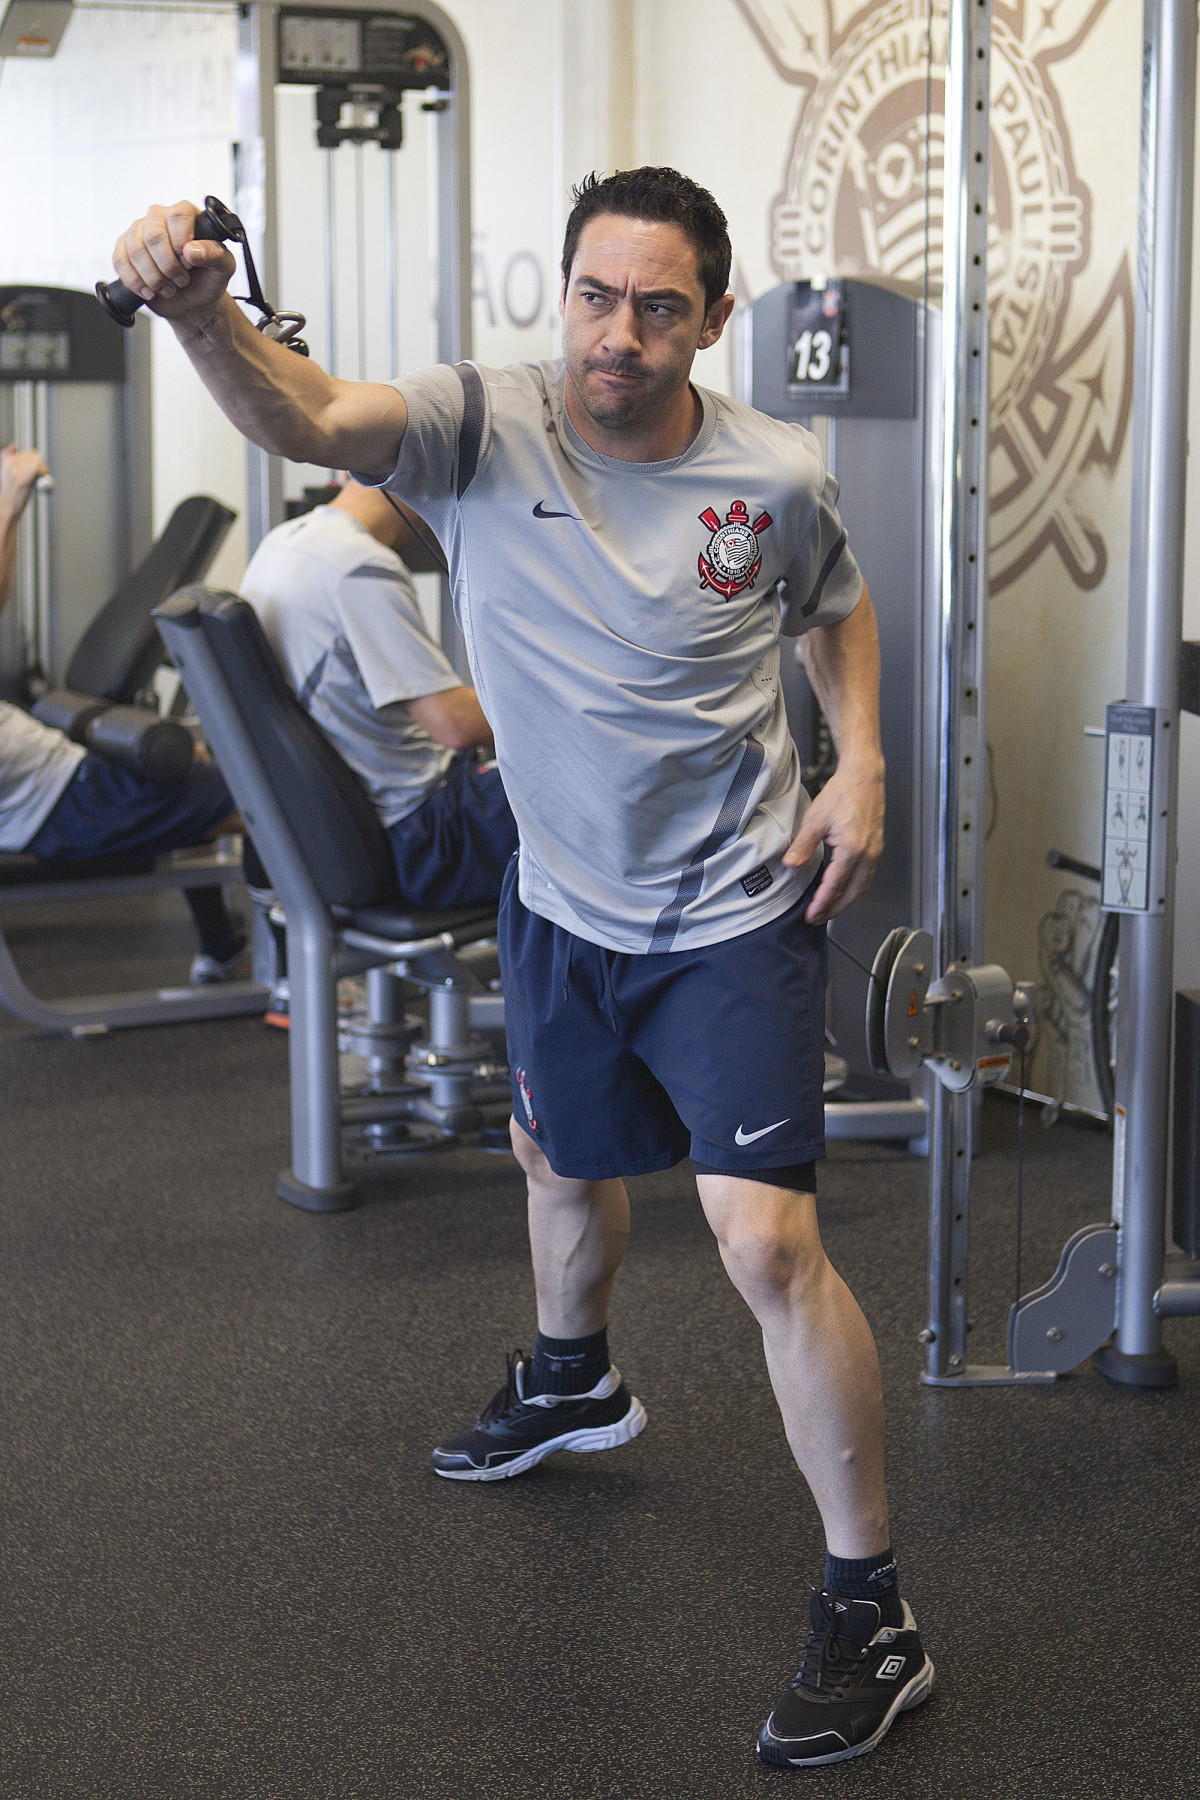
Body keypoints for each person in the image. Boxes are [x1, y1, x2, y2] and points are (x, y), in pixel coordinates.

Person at [111, 164, 933, 1769]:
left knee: (764, 1248)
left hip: (728, 909)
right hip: (559, 896)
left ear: (713, 317)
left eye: (659, 307)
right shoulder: (479, 422)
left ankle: (872, 1607)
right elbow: (303, 421)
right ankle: (570, 1377)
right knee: (553, 1144)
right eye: (595, 296)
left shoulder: (773, 472)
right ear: (562, 290)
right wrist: (202, 312)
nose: (617, 336)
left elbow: (833, 603)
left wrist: (864, 764)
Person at [0, 443, 246, 982]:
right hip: (67, 804)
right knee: (265, 801)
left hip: (66, 775)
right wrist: (10, 500)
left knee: (188, 769)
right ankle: (315, 975)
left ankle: (222, 944)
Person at [240, 478, 516, 911]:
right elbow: (454, 725)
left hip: (345, 824)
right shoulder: (357, 566)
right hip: (423, 836)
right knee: (590, 784)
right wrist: (562, 714)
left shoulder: (284, 542)